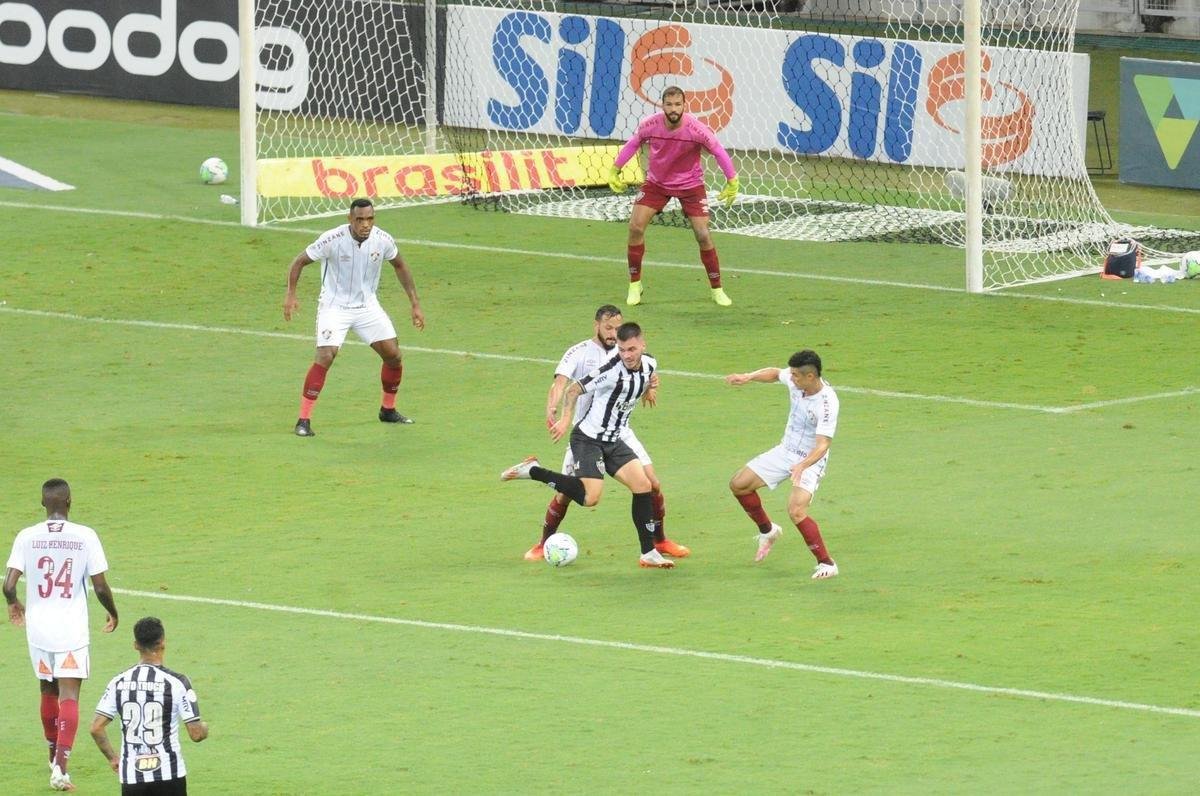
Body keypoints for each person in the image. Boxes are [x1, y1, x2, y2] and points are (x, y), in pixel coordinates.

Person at [501, 322, 676, 568]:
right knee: (590, 498)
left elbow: (647, 378)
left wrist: (649, 390)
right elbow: (573, 390)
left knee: (643, 485)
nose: (626, 355)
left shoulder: (649, 364)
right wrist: (565, 418)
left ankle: (648, 553)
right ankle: (533, 471)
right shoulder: (610, 370)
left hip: (614, 439)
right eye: (623, 349)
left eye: (631, 349)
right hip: (588, 439)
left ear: (642, 346)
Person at [4, 478, 119, 792]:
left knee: (47, 689)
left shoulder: (27, 536)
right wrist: (113, 611)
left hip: (38, 628)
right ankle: (61, 769)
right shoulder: (85, 536)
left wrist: (14, 604)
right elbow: (98, 586)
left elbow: (9, 585)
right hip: (70, 627)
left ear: (43, 504)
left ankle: (52, 752)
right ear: (70, 502)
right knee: (69, 694)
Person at [282, 197, 426, 437]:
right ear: (350, 219)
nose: (365, 224)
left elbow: (400, 266)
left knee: (393, 355)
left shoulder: (383, 240)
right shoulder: (332, 239)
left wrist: (415, 304)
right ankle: (303, 420)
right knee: (325, 355)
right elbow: (299, 262)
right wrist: (290, 294)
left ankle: (387, 410)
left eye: (370, 219)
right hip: (334, 307)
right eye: (360, 219)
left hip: (367, 307)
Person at [608, 85, 740, 308]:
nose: (673, 109)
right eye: (669, 104)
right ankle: (634, 284)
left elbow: (718, 150)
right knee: (635, 227)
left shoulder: (696, 129)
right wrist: (615, 169)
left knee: (703, 234)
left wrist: (732, 179)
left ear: (684, 106)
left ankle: (717, 289)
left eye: (677, 104)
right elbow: (634, 143)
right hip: (656, 184)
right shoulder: (650, 125)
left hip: (691, 186)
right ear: (662, 105)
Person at [725, 350, 840, 579]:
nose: (791, 378)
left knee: (796, 511)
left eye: (796, 375)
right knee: (739, 484)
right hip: (785, 450)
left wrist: (802, 465)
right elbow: (776, 373)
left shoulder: (827, 404)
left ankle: (827, 564)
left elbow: (823, 445)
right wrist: (748, 377)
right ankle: (768, 531)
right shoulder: (796, 380)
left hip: (810, 460)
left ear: (810, 377)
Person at [91, 617, 209, 795]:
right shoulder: (178, 682)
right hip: (169, 775)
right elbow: (196, 734)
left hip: (132, 777)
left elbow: (96, 727)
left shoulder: (118, 682)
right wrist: (205, 728)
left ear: (135, 645)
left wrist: (113, 758)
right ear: (162, 643)